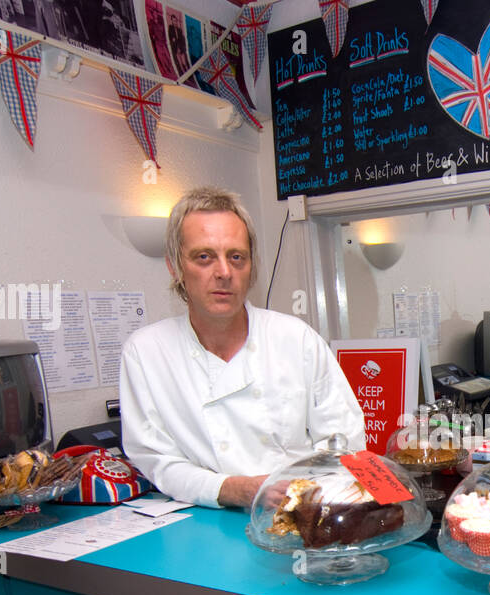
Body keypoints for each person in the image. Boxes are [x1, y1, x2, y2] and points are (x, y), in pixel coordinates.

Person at [120, 187, 365, 508]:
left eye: (237, 257)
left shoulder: (296, 339)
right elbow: (156, 460)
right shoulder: (146, 352)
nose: (224, 273)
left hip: (302, 513)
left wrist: (301, 495)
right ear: (175, 266)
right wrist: (232, 489)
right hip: (206, 520)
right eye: (204, 257)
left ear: (251, 266)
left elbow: (343, 442)